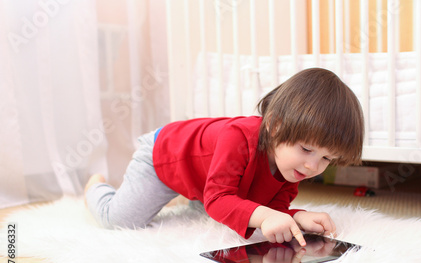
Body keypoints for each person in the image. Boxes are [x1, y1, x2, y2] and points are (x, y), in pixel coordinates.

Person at [84, 68, 364, 247]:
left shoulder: (293, 165)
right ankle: (95, 186)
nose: (312, 166)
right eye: (306, 149)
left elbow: (272, 206)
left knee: (231, 203)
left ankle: (191, 195)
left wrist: (297, 216)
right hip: (164, 157)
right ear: (275, 126)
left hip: (202, 175)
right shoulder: (238, 136)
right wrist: (265, 215)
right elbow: (218, 199)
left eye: (327, 158)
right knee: (120, 220)